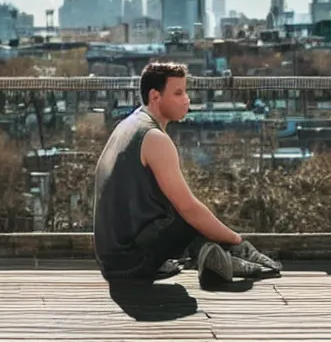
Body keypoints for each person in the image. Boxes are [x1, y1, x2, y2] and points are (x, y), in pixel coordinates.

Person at [92, 61, 282, 288]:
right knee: (187, 213)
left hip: (112, 259)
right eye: (178, 93)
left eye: (186, 92)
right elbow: (188, 209)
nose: (187, 99)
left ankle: (211, 256)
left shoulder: (128, 124)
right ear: (155, 96)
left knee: (180, 211)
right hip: (131, 263)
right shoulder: (153, 138)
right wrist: (236, 238)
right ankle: (233, 256)